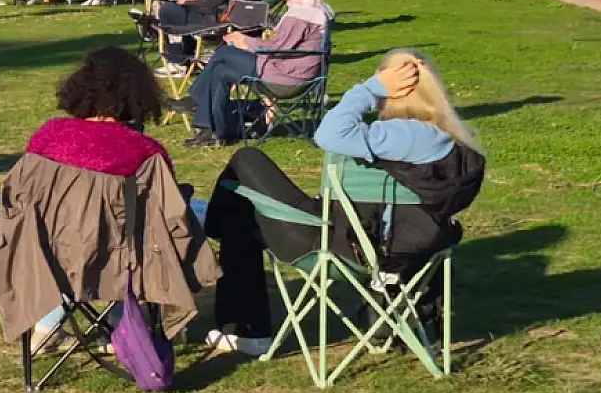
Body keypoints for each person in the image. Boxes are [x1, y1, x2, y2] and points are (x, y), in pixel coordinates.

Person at [201, 51, 485, 354]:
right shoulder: (443, 140)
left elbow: (329, 133)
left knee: (246, 165)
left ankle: (243, 318)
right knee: (240, 213)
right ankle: (239, 312)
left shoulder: (402, 134)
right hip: (395, 245)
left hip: (340, 247)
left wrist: (370, 89)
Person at [0, 46, 219, 352]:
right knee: (185, 218)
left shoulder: (47, 136)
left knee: (84, 239)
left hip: (45, 252)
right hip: (117, 257)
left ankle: (46, 326)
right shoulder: (144, 151)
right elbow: (168, 210)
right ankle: (130, 325)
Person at [171, 0, 331, 146]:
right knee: (221, 71)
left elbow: (277, 47)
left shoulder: (302, 15)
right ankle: (210, 129)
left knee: (225, 52)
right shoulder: (315, 10)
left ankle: (199, 105)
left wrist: (244, 41)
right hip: (294, 73)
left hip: (284, 78)